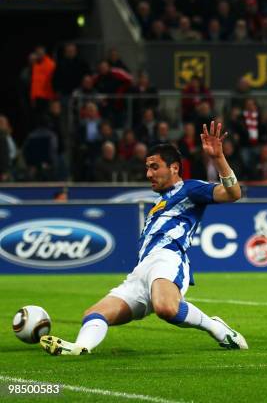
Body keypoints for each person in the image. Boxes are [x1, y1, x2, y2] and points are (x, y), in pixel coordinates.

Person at [40, 121, 248, 355]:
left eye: (154, 167)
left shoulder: (189, 190)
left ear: (174, 168)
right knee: (93, 314)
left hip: (168, 258)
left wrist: (218, 158)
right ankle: (80, 347)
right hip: (141, 271)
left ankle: (216, 327)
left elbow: (233, 194)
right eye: (147, 167)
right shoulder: (159, 204)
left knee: (166, 308)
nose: (148, 173)